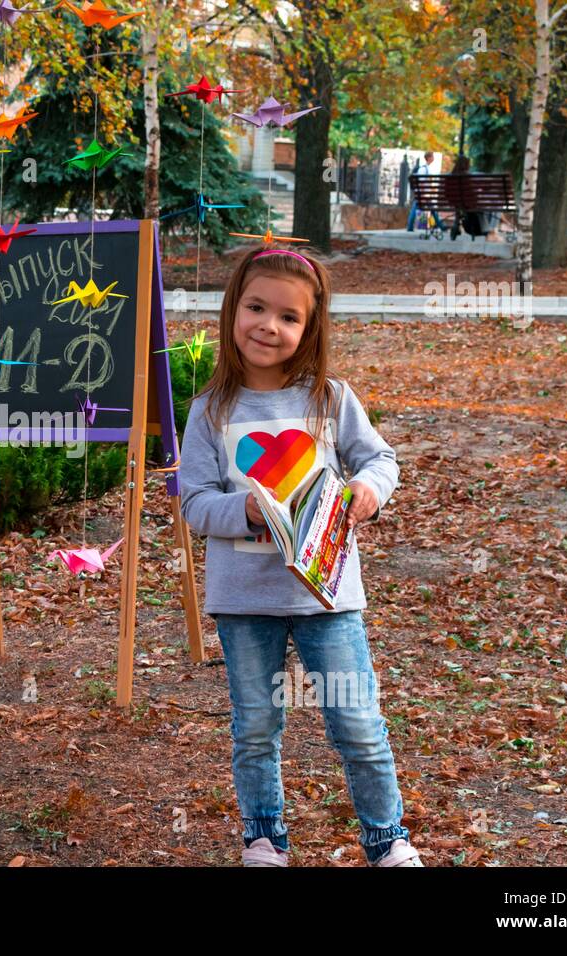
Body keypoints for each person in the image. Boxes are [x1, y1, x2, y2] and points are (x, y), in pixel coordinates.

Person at [178, 246, 424, 867]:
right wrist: (247, 511)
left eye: (289, 317)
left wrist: (368, 491)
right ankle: (264, 836)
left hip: (327, 592)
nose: (269, 325)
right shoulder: (211, 410)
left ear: (310, 328)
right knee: (257, 726)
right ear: (234, 309)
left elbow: (380, 459)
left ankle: (387, 839)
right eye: (256, 308)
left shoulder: (330, 399)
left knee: (358, 725)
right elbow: (195, 503)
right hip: (245, 599)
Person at [405, 151, 435, 231]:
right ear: (428, 158)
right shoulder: (423, 169)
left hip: (424, 194)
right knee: (418, 208)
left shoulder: (427, 168)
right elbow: (420, 183)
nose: (433, 158)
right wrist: (422, 194)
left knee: (426, 209)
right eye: (432, 156)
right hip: (422, 194)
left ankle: (412, 227)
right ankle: (412, 226)